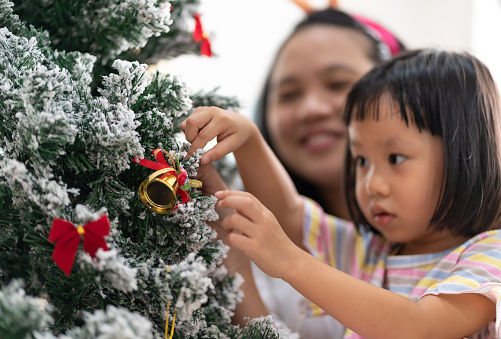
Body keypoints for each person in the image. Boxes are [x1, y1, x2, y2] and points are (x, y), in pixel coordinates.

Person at [182, 49, 501, 338]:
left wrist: (292, 263)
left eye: (396, 158)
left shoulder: (489, 253)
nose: (372, 184)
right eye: (362, 160)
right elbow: (291, 216)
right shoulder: (371, 251)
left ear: (463, 154)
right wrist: (249, 140)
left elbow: (419, 327)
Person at [250, 7, 405, 337]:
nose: (312, 109)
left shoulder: (473, 247)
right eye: (289, 94)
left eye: (337, 84)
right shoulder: (255, 252)